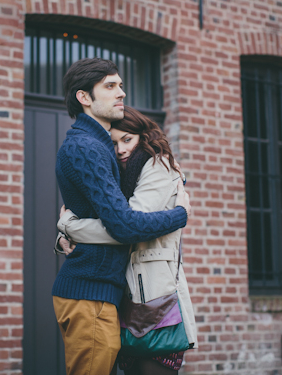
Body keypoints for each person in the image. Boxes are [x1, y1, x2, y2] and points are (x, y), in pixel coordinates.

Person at [53, 58, 191, 375]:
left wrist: (70, 228)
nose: (122, 93)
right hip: (94, 290)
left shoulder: (124, 156)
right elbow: (124, 224)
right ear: (84, 97)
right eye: (110, 86)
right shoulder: (88, 147)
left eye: (121, 85)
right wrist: (181, 214)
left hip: (135, 298)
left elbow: (109, 215)